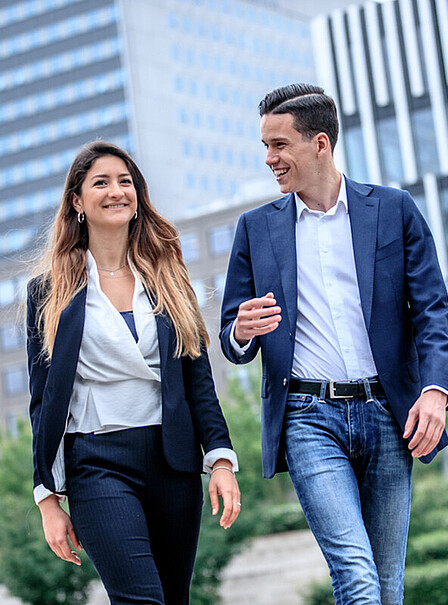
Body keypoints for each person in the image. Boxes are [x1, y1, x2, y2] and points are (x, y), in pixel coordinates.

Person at [220, 83, 448, 604]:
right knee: (357, 575)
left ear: (319, 143)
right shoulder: (255, 229)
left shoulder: (394, 210)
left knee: (387, 584)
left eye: (279, 145)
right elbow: (232, 336)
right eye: (265, 147)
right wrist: (240, 330)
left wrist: (435, 390)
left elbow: (434, 309)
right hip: (307, 416)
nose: (269, 159)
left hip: (390, 415)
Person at [27, 141, 241, 605]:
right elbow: (42, 401)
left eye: (125, 181)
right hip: (96, 463)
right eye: (100, 182)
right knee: (141, 600)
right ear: (77, 202)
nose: (116, 191)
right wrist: (48, 497)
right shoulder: (49, 290)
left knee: (172, 599)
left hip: (172, 461)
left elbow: (197, 381)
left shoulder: (169, 276)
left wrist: (221, 459)